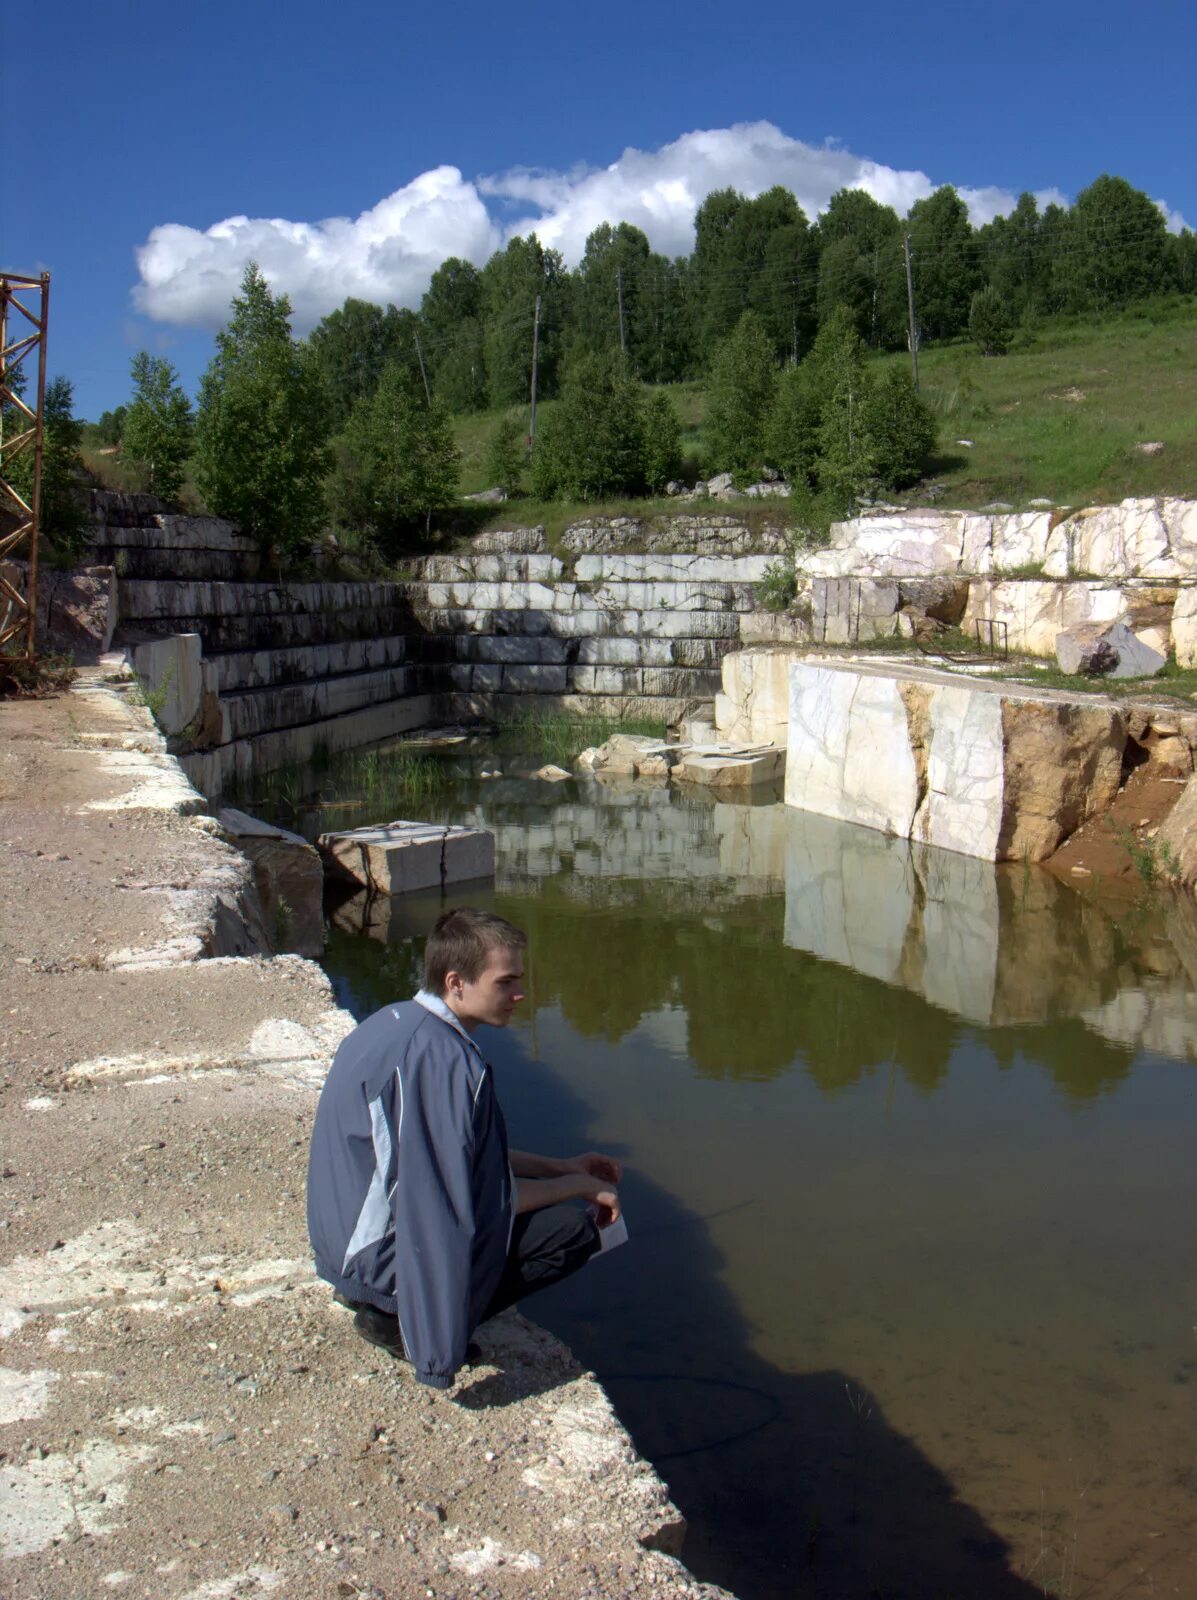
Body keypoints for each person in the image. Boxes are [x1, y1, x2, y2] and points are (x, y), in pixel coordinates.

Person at [307, 906, 622, 1390]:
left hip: (344, 1247)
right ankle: (397, 1320)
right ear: (457, 982)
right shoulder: (443, 1063)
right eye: (506, 982)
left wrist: (560, 1165)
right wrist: (577, 1187)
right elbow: (472, 1199)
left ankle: (383, 1300)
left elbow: (461, 1155)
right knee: (571, 1232)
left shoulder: (400, 1023)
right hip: (378, 1259)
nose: (520, 994)